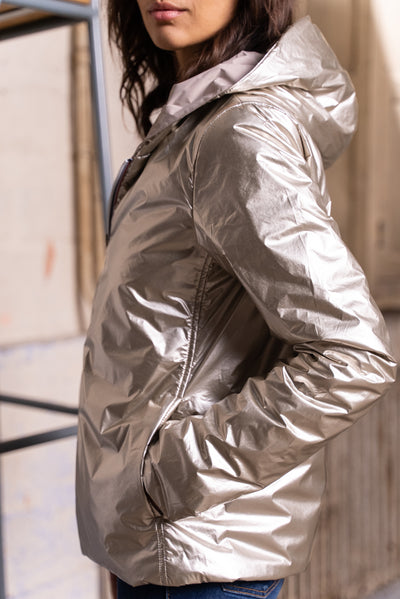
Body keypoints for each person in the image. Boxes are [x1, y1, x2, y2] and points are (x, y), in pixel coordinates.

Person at [76, 1, 397, 598]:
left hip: (197, 549)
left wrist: (167, 474)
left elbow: (355, 355)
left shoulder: (239, 133)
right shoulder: (192, 124)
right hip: (161, 542)